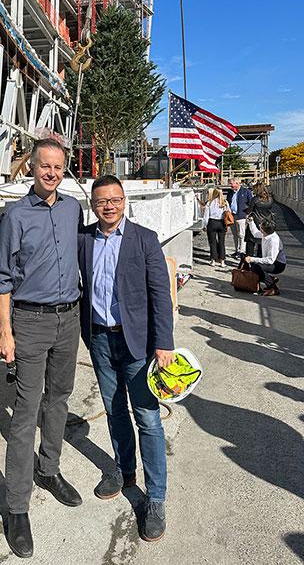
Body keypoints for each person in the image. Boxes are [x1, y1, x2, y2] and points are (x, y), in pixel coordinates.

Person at [0, 138, 82, 559]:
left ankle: (48, 469)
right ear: (31, 167)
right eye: (44, 166)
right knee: (25, 411)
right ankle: (16, 507)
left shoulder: (72, 209)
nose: (51, 173)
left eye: (58, 167)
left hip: (69, 319)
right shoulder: (14, 215)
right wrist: (6, 331)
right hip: (29, 322)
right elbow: (3, 279)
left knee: (60, 400)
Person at [78, 175, 175, 542]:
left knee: (148, 419)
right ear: (92, 204)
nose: (109, 206)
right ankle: (123, 470)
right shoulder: (84, 239)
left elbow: (160, 296)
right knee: (115, 410)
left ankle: (157, 498)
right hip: (101, 339)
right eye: (101, 201)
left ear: (124, 201)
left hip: (139, 344)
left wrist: (163, 343)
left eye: (115, 199)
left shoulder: (144, 239)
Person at [244, 217, 286, 296]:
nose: (259, 225)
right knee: (254, 264)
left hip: (278, 264)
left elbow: (270, 260)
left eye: (261, 226)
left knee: (256, 267)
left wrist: (252, 259)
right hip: (272, 261)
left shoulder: (273, 241)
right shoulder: (266, 234)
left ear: (264, 230)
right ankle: (270, 279)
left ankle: (273, 288)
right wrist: (251, 222)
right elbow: (255, 234)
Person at [202, 188, 230, 268]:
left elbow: (206, 216)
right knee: (222, 242)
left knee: (212, 242)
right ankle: (222, 261)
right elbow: (229, 212)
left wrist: (204, 225)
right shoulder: (225, 202)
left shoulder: (210, 203)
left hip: (212, 222)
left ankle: (213, 260)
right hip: (221, 223)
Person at [245, 183, 274, 257]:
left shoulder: (255, 199)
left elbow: (249, 210)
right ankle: (260, 260)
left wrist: (245, 210)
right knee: (262, 243)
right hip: (266, 221)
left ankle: (248, 260)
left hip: (255, 221)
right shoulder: (270, 198)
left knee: (250, 242)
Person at [227, 178, 252, 257]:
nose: (230, 185)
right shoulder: (230, 192)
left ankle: (242, 251)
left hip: (241, 216)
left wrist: (247, 213)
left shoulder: (246, 191)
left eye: (232, 184)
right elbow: (228, 202)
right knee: (234, 234)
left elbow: (250, 203)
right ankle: (236, 250)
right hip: (232, 216)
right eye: (230, 184)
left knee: (241, 234)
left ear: (237, 183)